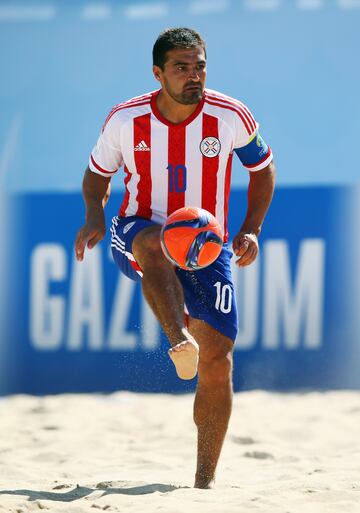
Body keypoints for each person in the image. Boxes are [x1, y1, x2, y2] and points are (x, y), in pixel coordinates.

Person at [75, 27, 275, 489]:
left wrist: (250, 230)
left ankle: (203, 483)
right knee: (153, 245)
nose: (193, 75)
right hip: (137, 227)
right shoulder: (126, 120)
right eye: (182, 67)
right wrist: (94, 216)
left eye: (200, 65)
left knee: (219, 361)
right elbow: (95, 175)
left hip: (207, 244)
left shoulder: (230, 115)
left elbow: (263, 172)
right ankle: (178, 338)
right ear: (158, 72)